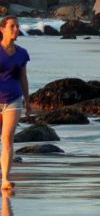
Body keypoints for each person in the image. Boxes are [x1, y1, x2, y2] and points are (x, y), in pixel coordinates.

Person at [0, 16, 30, 190]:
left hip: (13, 99)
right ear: (2, 29)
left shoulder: (22, 53)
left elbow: (23, 78)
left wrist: (27, 100)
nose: (16, 29)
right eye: (12, 26)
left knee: (7, 139)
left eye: (17, 26)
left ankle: (5, 179)